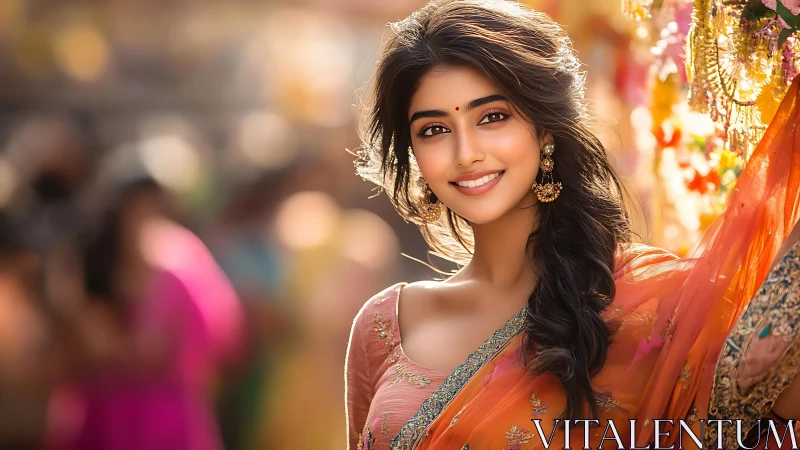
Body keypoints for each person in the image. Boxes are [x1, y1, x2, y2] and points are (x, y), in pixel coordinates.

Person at [344, 0, 800, 448]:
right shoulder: (385, 324)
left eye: (494, 117)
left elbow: (770, 394)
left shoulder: (658, 304)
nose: (466, 153)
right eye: (434, 129)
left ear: (544, 128)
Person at [46, 177, 243, 450]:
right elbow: (82, 349)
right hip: (104, 416)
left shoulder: (180, 264)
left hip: (164, 418)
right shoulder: (85, 267)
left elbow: (214, 336)